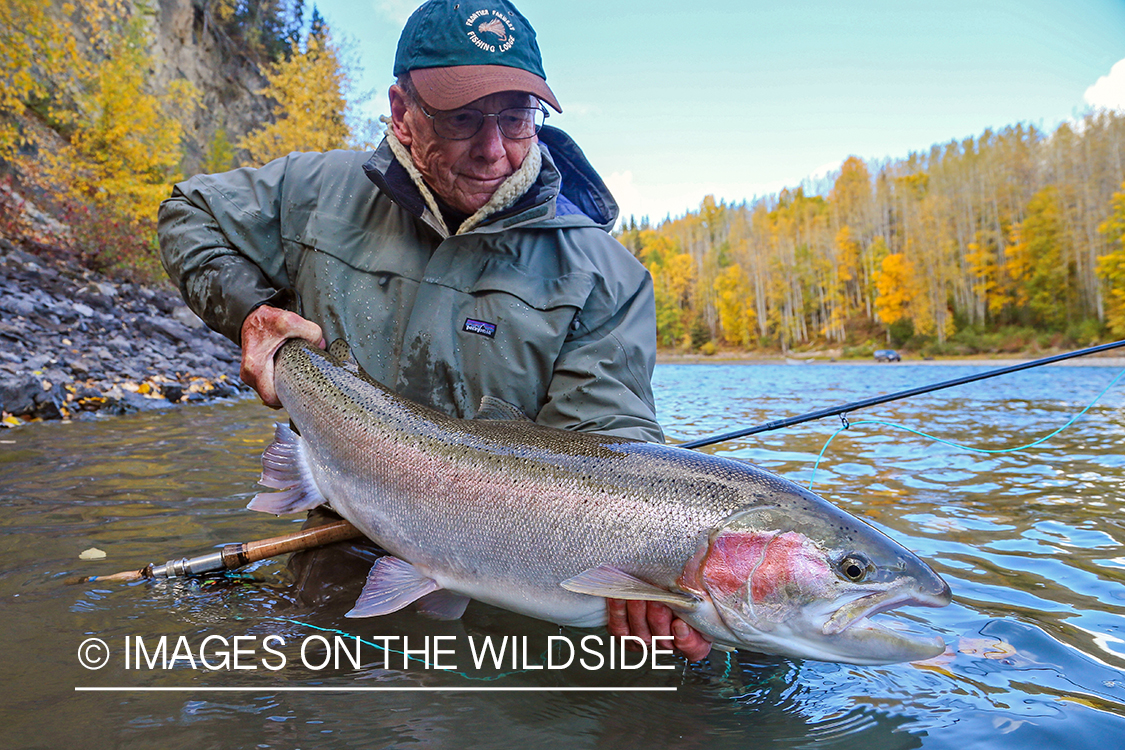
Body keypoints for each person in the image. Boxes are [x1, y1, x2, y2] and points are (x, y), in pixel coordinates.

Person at [158, 0, 711, 661]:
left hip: (520, 558)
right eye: (461, 119)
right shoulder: (316, 192)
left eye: (514, 119)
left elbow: (605, 446)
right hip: (349, 521)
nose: (492, 148)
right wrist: (250, 313)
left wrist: (639, 562)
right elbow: (188, 213)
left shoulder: (604, 274)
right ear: (401, 111)